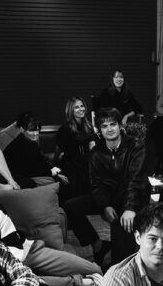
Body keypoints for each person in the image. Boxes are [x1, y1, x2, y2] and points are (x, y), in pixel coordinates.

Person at [63, 107, 149, 267]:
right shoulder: (96, 153)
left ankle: (121, 264)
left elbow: (136, 181)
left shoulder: (136, 147)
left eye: (113, 124)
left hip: (132, 198)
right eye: (104, 126)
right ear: (99, 130)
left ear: (120, 126)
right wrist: (105, 206)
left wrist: (130, 208)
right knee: (70, 207)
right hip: (110, 197)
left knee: (120, 257)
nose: (109, 129)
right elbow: (96, 185)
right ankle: (98, 245)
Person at [0, 111, 67, 185]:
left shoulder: (12, 143)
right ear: (22, 129)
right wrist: (54, 173)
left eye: (36, 130)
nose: (35, 134)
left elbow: (41, 161)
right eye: (31, 130)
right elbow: (37, 167)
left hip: (16, 177)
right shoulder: (29, 144)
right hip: (26, 179)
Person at [55, 97, 97, 199]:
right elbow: (59, 153)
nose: (81, 109)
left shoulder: (88, 126)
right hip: (72, 166)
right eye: (76, 107)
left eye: (82, 106)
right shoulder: (64, 129)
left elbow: (93, 147)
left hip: (86, 163)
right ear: (71, 110)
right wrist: (56, 172)